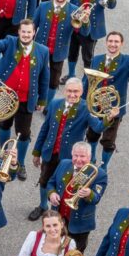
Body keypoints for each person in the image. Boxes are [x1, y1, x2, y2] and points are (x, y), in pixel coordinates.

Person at [0, 19, 51, 181]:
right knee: (4, 125)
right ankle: (4, 156)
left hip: (26, 99)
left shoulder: (43, 51)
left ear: (33, 33)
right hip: (5, 97)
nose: (25, 35)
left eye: (29, 32)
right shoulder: (10, 41)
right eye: (23, 32)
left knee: (23, 133)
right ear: (19, 32)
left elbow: (45, 77)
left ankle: (21, 163)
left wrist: (42, 99)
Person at [29, 78, 114, 221]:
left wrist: (108, 118)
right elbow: (45, 129)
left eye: (76, 91)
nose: (72, 94)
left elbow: (98, 127)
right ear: (64, 91)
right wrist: (37, 152)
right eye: (69, 91)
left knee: (68, 184)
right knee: (44, 181)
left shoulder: (86, 108)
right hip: (50, 152)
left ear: (81, 92)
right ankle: (43, 206)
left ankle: (63, 211)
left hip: (70, 156)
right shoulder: (55, 104)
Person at [83, 31, 129, 167]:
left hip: (114, 109)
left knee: (108, 141)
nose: (113, 44)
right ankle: (91, 161)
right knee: (91, 135)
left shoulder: (127, 60)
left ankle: (103, 166)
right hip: (95, 106)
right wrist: (82, 100)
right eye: (110, 41)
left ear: (121, 44)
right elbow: (87, 80)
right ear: (106, 43)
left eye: (116, 42)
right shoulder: (96, 59)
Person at [47, 141, 108, 256]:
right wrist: (52, 194)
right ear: (72, 155)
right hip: (59, 217)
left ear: (90, 157)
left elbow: (97, 198)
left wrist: (89, 194)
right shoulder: (64, 164)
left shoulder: (99, 173)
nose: (79, 160)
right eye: (76, 155)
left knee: (75, 253)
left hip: (80, 222)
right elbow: (51, 182)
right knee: (55, 247)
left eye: (83, 156)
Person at [33, 0, 83, 102]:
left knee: (54, 80)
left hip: (59, 50)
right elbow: (33, 26)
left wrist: (84, 21)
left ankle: (47, 104)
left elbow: (84, 33)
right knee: (35, 76)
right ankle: (35, 99)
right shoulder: (43, 6)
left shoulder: (75, 10)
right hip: (40, 48)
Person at [68, 0, 118, 78]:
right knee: (72, 53)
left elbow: (111, 5)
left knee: (87, 56)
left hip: (91, 30)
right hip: (75, 28)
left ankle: (86, 79)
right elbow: (71, 6)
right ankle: (71, 75)